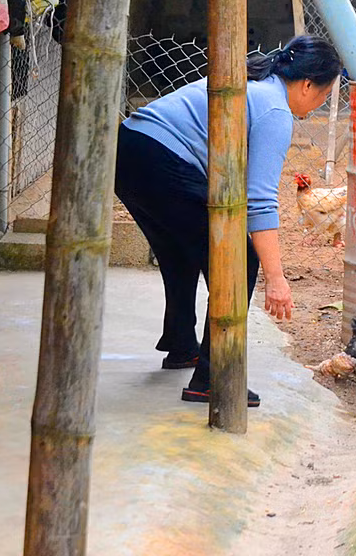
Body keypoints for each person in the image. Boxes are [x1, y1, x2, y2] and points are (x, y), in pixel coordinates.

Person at [114, 35, 342, 406]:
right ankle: (215, 376)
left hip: (129, 148)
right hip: (160, 159)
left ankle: (181, 343)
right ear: (306, 85)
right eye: (324, 94)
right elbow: (260, 201)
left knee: (181, 247)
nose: (320, 104)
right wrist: (276, 278)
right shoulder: (275, 111)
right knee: (239, 256)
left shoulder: (255, 78)